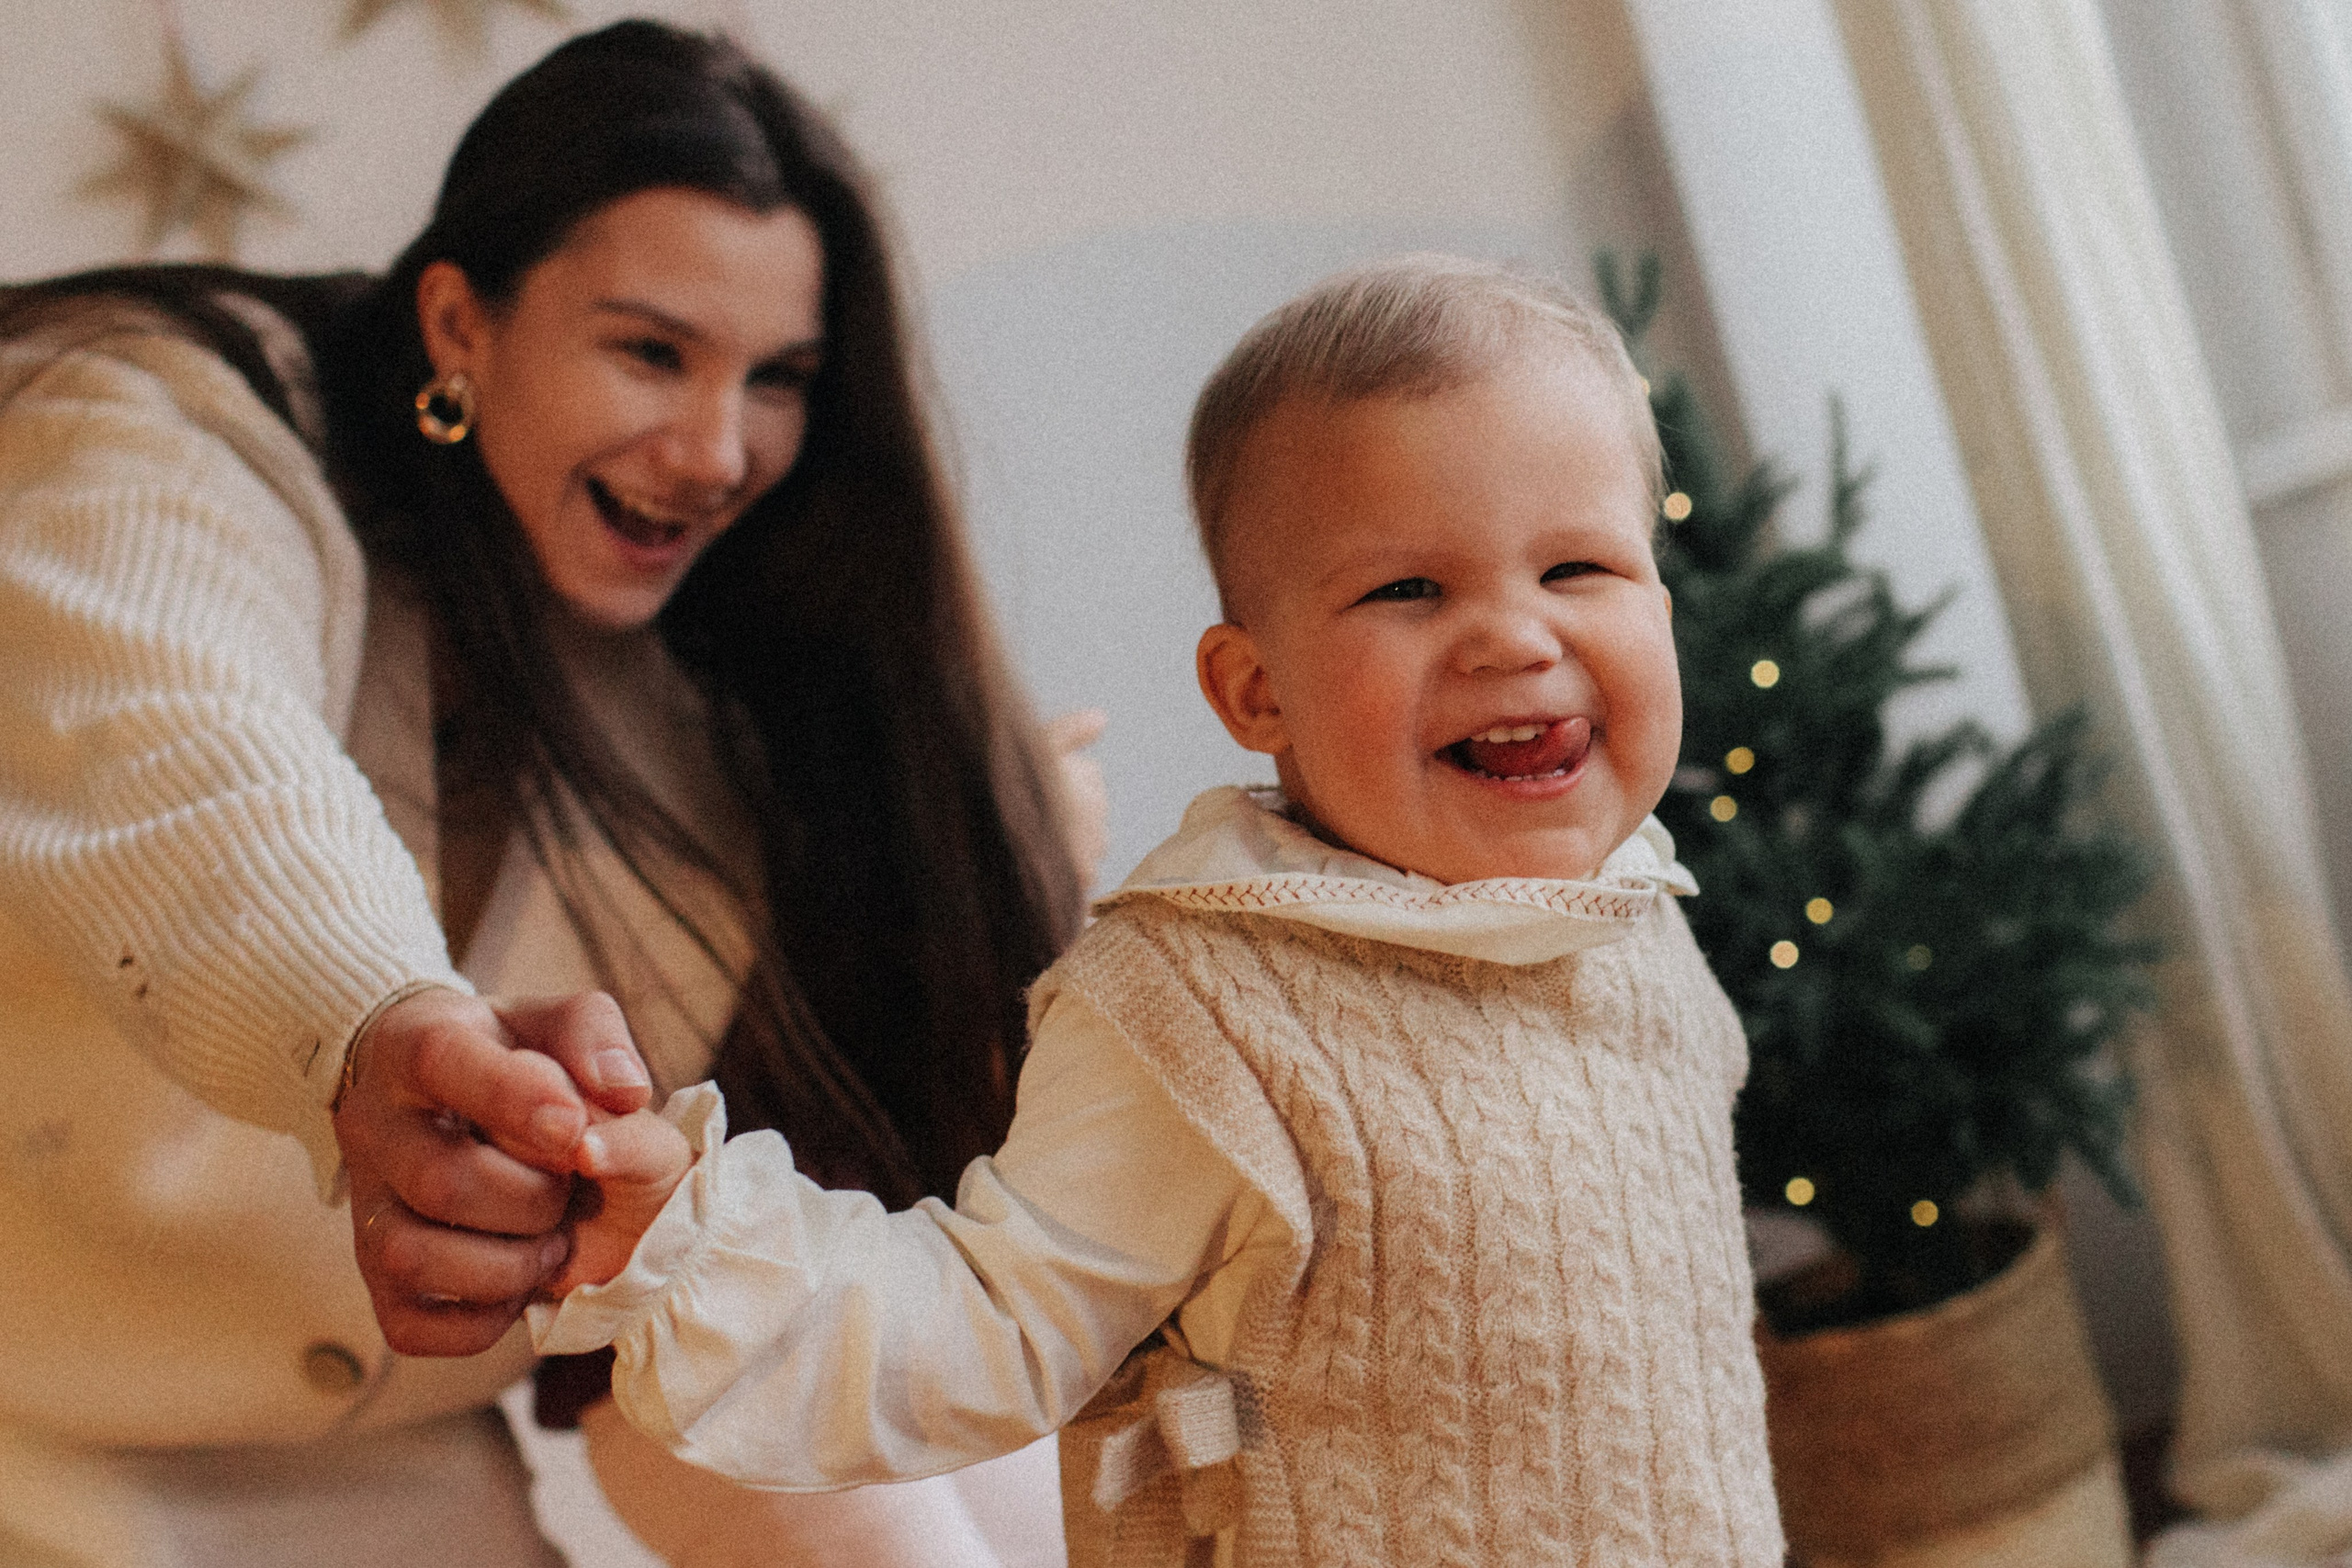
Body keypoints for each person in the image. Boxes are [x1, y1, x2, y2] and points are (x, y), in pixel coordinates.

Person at [0, 19, 1089, 1567]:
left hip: (397, 1485)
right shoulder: (153, 427)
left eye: (776, 380)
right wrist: (380, 1029)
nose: (717, 450)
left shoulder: (722, 720)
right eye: (650, 350)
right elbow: (181, 766)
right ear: (459, 320)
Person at [526, 256, 1786, 1566]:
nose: (1515, 638)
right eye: (1409, 590)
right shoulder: (1201, 1017)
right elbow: (982, 1321)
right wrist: (692, 1241)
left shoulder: (1639, 921)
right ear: (1254, 693)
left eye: (1579, 567)